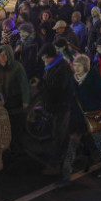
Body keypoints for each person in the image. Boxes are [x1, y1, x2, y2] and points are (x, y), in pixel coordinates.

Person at [63, 55, 101, 182]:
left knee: (99, 141)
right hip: (77, 116)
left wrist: (93, 105)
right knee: (73, 143)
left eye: (79, 66)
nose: (76, 68)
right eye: (75, 66)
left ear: (86, 66)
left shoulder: (95, 78)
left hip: (92, 114)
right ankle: (66, 171)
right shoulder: (73, 79)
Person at [0, 45, 30, 154]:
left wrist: (25, 101)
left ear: (10, 55)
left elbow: (24, 84)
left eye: (5, 54)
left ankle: (19, 152)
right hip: (0, 105)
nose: (2, 57)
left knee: (16, 129)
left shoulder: (17, 67)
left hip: (15, 104)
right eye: (0, 54)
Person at [38, 43, 73, 174]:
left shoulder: (62, 68)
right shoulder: (51, 66)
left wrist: (41, 85)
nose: (44, 60)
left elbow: (55, 89)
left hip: (61, 107)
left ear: (51, 56)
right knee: (55, 133)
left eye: (45, 57)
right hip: (54, 106)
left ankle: (58, 163)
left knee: (59, 134)